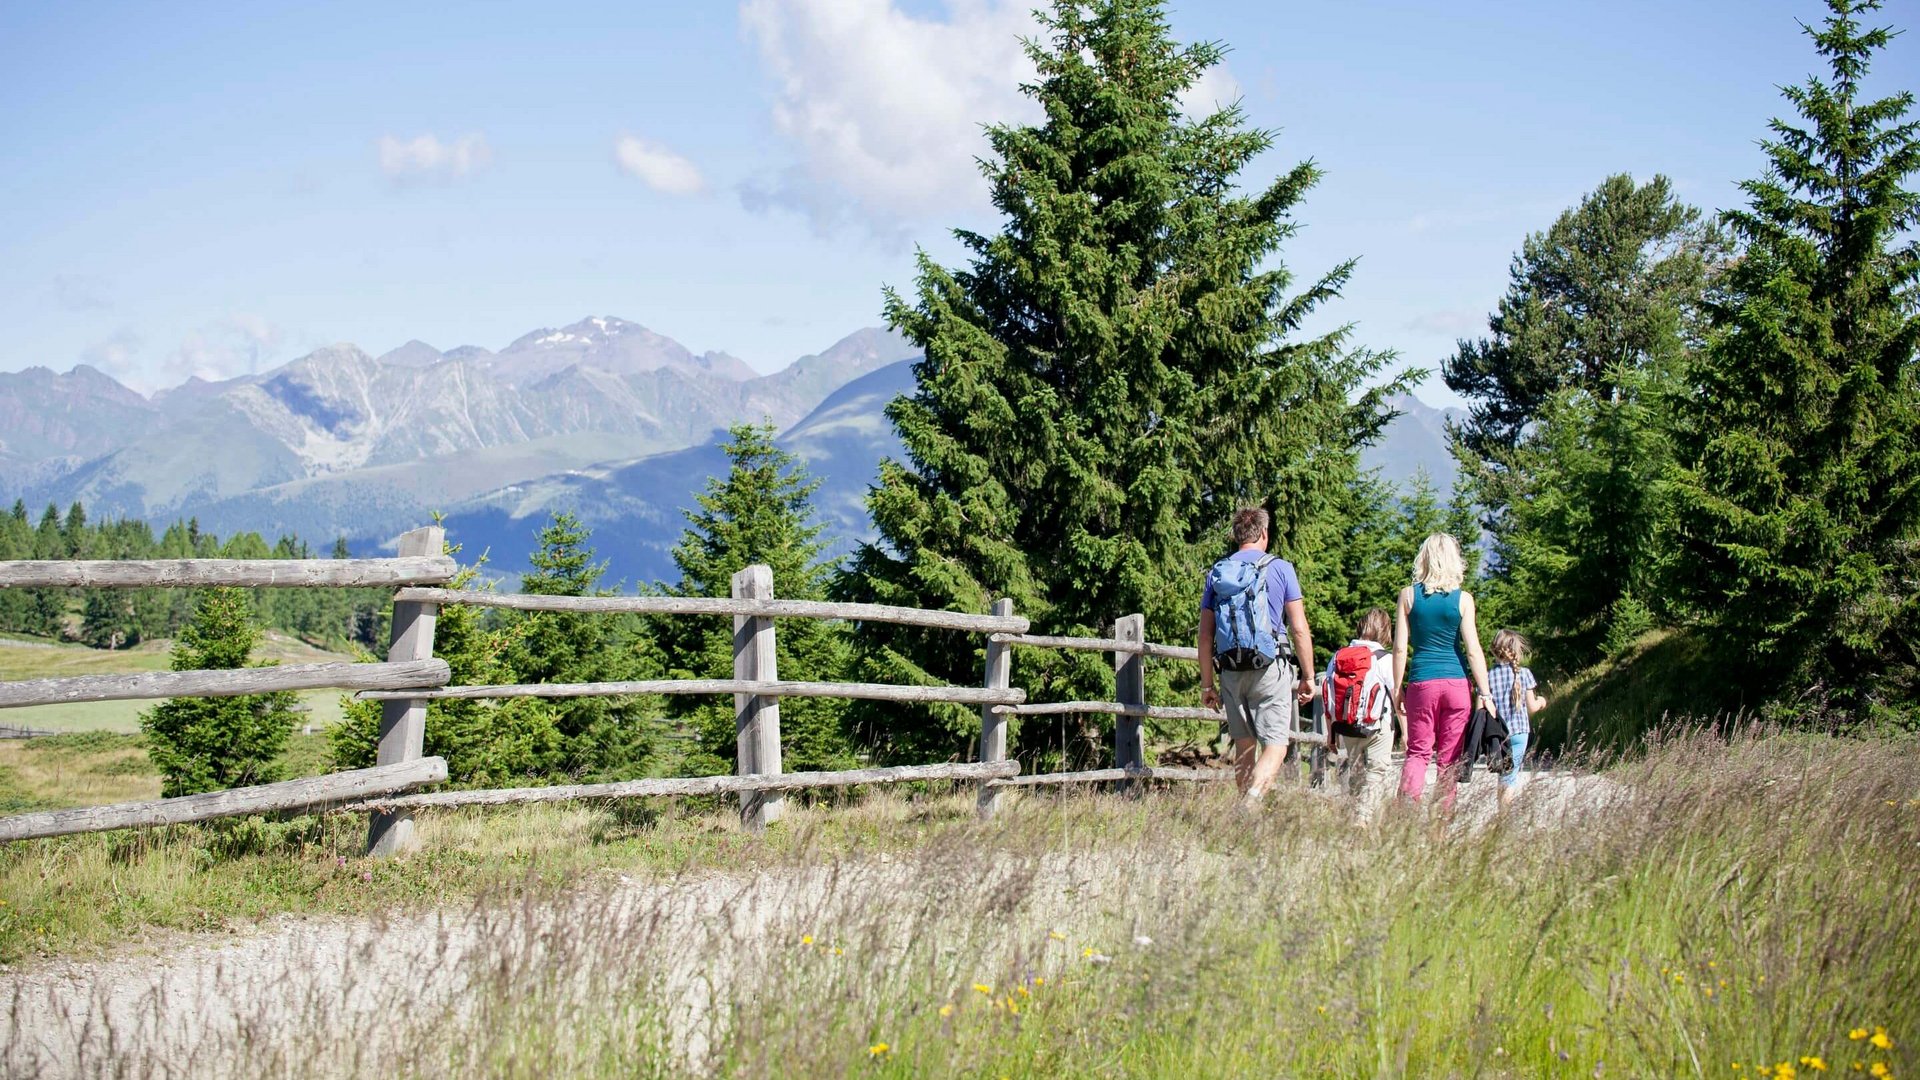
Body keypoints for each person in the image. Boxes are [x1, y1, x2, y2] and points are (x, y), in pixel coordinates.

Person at [1199, 507, 1317, 803]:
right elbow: (1299, 628)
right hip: (1270, 666)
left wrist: (1207, 684)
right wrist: (1308, 676)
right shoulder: (1281, 568)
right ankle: (1250, 803)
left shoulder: (1218, 572)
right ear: (1264, 533)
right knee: (1276, 745)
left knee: (1244, 746)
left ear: (1236, 535)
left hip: (1230, 668)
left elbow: (1205, 635)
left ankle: (1244, 813)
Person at [1392, 533, 1495, 806]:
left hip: (1422, 682)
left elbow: (1400, 648)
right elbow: (1473, 650)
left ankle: (1407, 807)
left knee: (1418, 752)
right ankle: (1442, 817)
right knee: (1449, 758)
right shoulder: (1464, 600)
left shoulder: (1408, 596)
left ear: (1423, 559)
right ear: (1454, 560)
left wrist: (1397, 688)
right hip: (1457, 684)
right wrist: (1485, 693)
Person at [1320, 607, 1396, 822]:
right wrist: (1407, 731)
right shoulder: (1385, 659)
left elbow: (1329, 698)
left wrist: (1331, 734)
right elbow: (1396, 696)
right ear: (1385, 631)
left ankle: (1354, 816)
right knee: (1376, 772)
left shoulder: (1338, 657)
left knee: (1355, 770)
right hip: (1378, 725)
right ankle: (1362, 820)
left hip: (1346, 725)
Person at [1487, 629, 1547, 808]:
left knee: (1503, 775)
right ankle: (1504, 816)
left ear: (1494, 649)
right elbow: (1532, 708)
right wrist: (1542, 701)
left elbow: (1482, 708)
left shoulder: (1488, 676)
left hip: (1498, 734)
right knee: (1510, 777)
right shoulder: (1524, 673)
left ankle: (1501, 814)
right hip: (1520, 732)